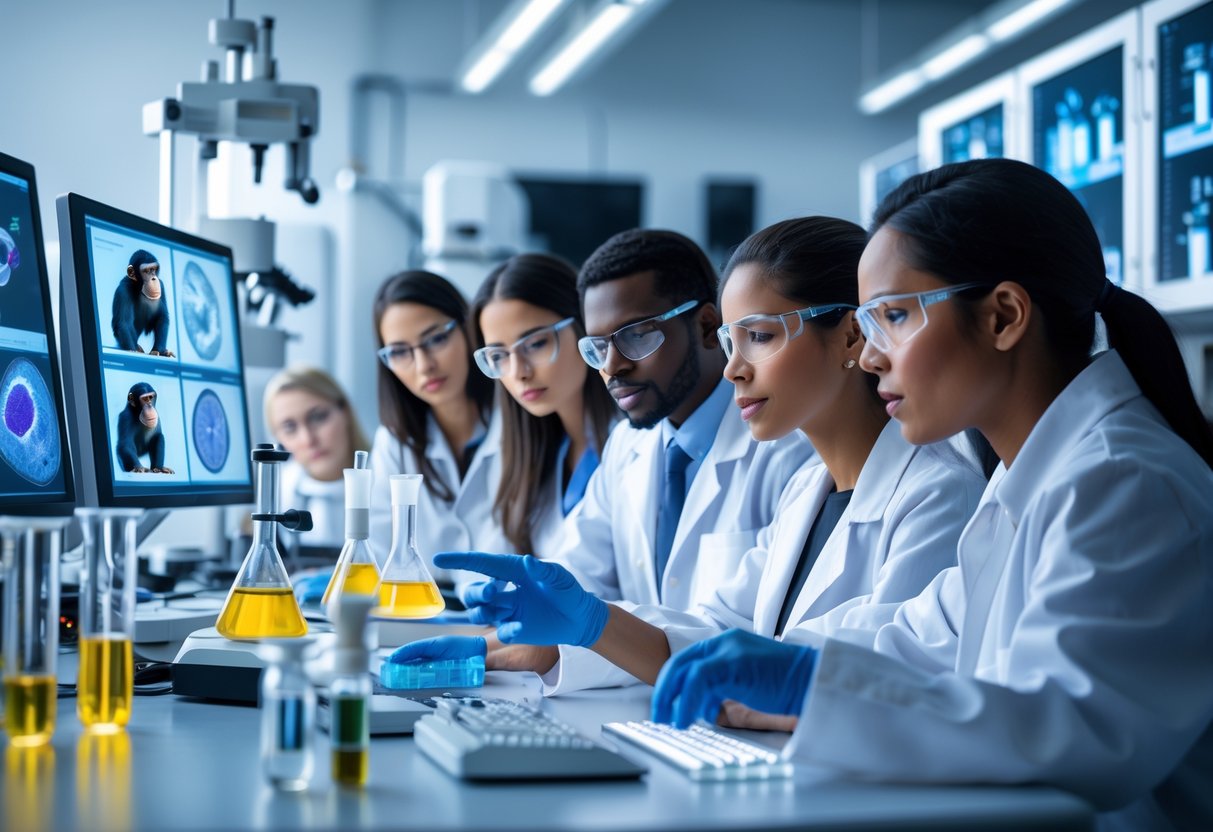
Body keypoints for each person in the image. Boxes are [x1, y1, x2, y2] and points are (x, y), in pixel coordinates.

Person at [650, 159, 1213, 830]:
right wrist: (789, 666)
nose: (869, 356)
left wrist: (805, 685)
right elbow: (918, 640)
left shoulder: (1123, 482)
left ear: (1003, 316)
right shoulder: (1027, 480)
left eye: (893, 316)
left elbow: (1068, 732)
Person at [404, 217, 986, 702]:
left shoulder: (937, 493)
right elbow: (713, 633)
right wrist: (587, 624)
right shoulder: (808, 490)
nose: (733, 368)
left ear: (852, 338)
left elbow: (882, 684)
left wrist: (599, 629)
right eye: (733, 341)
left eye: (759, 336)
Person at [391, 229, 815, 692]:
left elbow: (735, 633)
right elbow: (578, 587)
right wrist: (488, 647)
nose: (613, 366)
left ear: (707, 327)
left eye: (636, 336)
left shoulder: (787, 452)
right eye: (598, 346)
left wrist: (589, 628)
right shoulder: (627, 448)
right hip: (642, 705)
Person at [469, 253, 617, 557]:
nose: (518, 372)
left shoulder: (632, 441)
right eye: (498, 356)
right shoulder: (529, 454)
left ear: (584, 326)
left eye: (536, 344)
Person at [368, 270, 498, 584]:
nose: (424, 365)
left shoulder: (519, 424)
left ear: (468, 328)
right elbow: (378, 556)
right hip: (428, 607)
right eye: (400, 352)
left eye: (437, 339)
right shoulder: (394, 443)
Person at [264, 364, 371, 551]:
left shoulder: (387, 478)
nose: (308, 439)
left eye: (318, 417)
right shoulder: (278, 495)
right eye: (290, 428)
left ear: (345, 412)